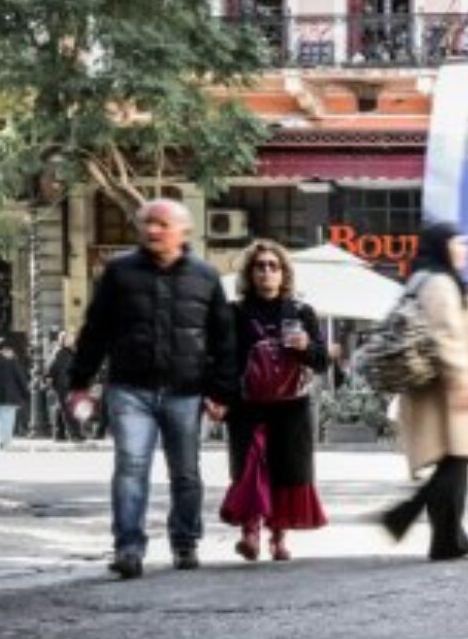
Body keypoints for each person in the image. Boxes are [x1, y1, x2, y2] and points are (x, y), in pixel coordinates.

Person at [67, 200, 235, 579]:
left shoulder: (206, 276)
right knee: (130, 467)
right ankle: (128, 548)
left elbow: (224, 340)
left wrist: (221, 392)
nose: (152, 230)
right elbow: (96, 330)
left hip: (187, 391)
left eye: (162, 224)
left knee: (186, 472)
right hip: (130, 389)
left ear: (183, 231)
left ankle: (185, 541)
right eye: (146, 223)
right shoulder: (119, 272)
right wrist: (80, 383)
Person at [379, 223, 468, 561]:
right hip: (447, 393)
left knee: (453, 463)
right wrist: (464, 380)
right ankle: (418, 522)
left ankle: (445, 537)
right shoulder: (439, 283)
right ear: (443, 246)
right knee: (455, 461)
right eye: (458, 243)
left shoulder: (432, 279)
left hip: (443, 391)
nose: (465, 249)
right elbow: (446, 335)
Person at [221, 241, 330, 562]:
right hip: (248, 405)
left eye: (273, 266)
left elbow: (322, 361)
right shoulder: (235, 313)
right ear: (249, 273)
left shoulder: (301, 312)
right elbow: (224, 360)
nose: (267, 271)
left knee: (286, 469)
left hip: (291, 406)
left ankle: (278, 536)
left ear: (284, 273)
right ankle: (250, 532)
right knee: (250, 468)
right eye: (260, 266)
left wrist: (306, 346)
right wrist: (219, 398)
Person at [46, 332, 78, 441]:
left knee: (62, 409)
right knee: (68, 409)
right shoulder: (60, 352)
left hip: (68, 384)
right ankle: (73, 434)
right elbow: (51, 369)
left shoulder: (70, 352)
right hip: (63, 385)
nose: (71, 340)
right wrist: (51, 379)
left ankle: (59, 434)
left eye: (72, 338)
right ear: (62, 340)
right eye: (68, 339)